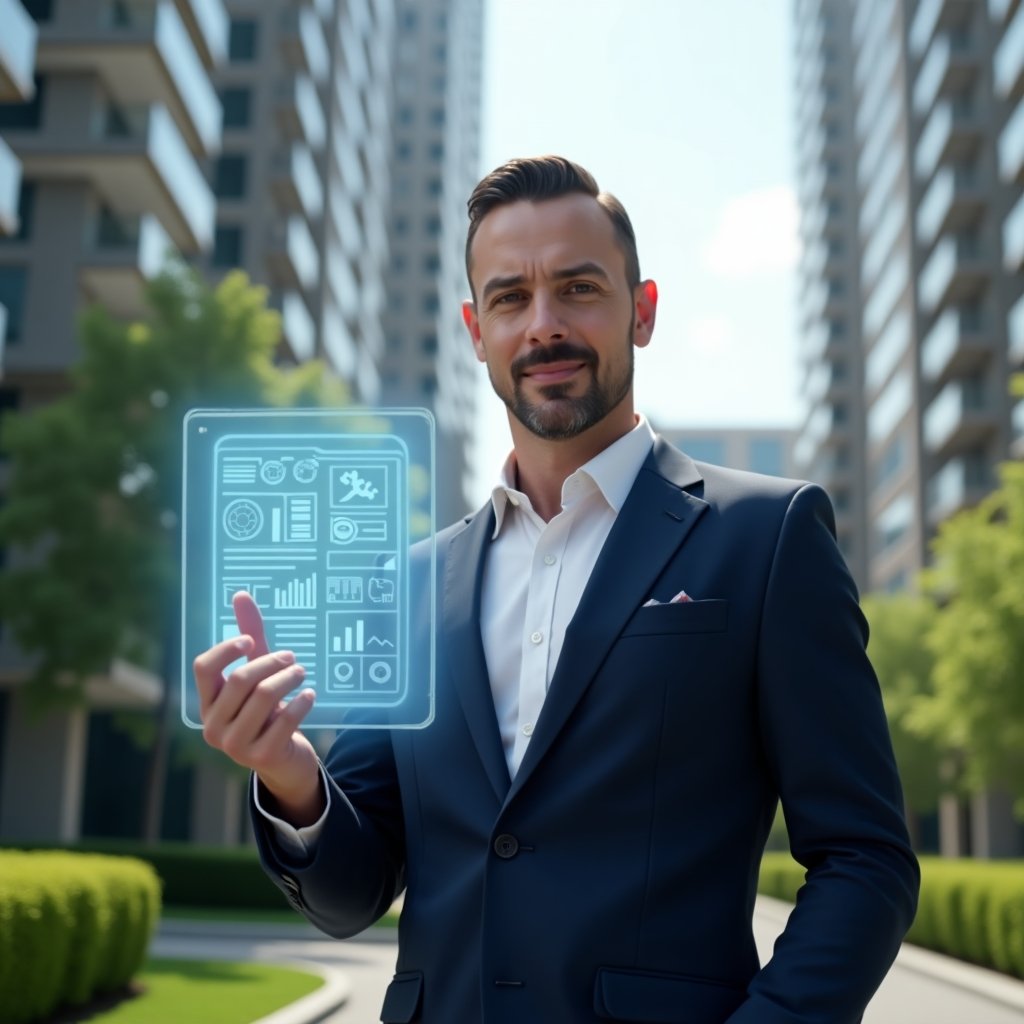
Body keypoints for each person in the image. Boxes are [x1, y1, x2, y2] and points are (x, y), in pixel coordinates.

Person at [194, 156, 919, 1023]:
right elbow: (353, 893)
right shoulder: (410, 584)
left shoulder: (768, 539)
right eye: (510, 298)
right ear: (475, 330)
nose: (544, 325)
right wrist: (289, 775)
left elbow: (865, 859)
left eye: (578, 288)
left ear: (640, 312)